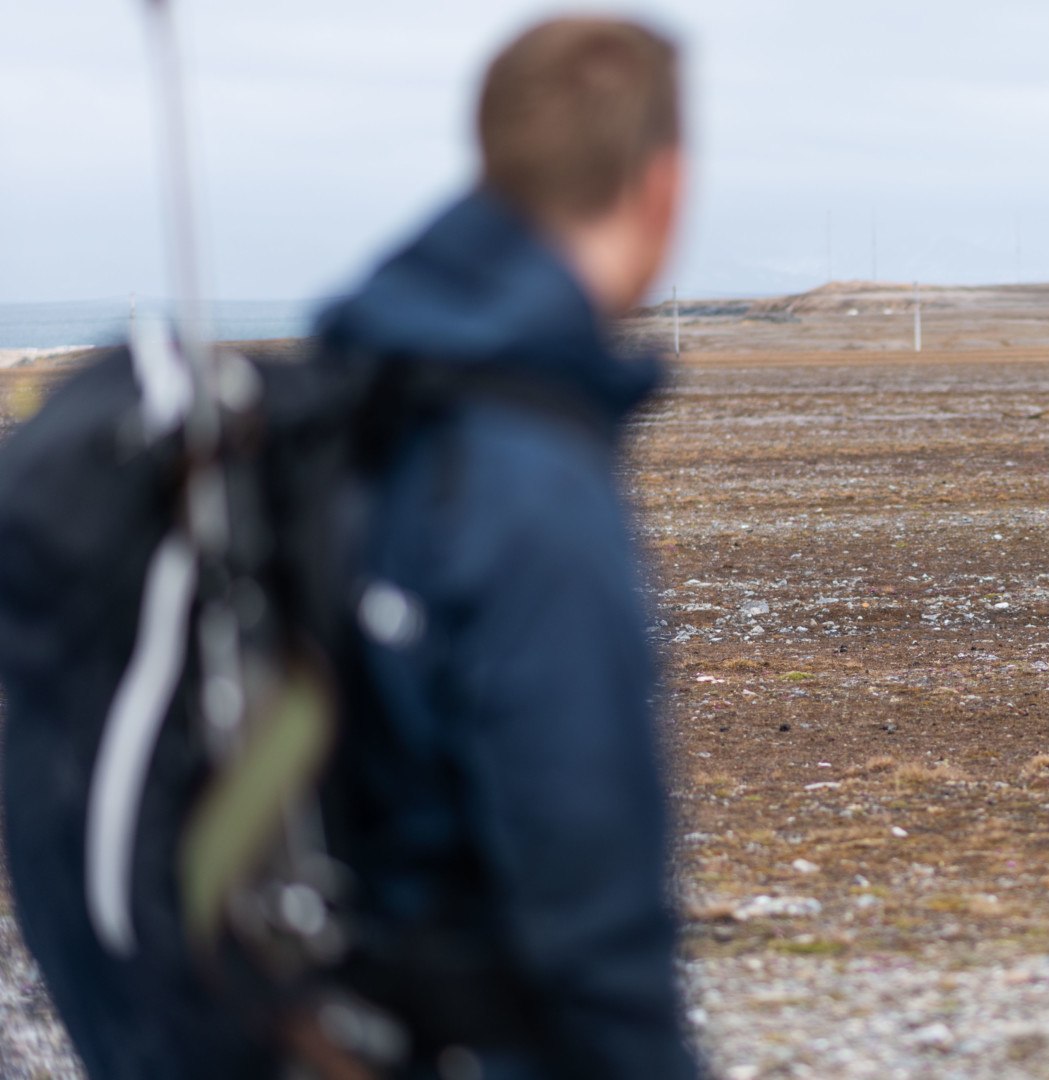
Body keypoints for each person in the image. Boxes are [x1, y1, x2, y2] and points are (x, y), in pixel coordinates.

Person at [5, 15, 700, 1078]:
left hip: (313, 1020)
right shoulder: (528, 486)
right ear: (661, 188)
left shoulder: (359, 401)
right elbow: (592, 912)